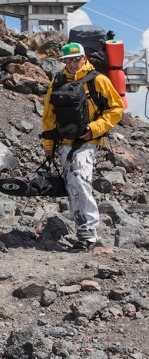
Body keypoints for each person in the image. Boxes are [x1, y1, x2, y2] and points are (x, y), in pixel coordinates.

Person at [42, 42, 124, 249]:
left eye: (76, 59)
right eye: (67, 60)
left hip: (88, 141)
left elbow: (116, 109)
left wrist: (94, 129)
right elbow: (49, 116)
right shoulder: (58, 81)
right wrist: (48, 146)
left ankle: (88, 232)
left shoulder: (98, 80)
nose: (72, 64)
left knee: (79, 177)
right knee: (72, 184)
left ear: (84, 58)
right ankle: (82, 231)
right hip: (63, 142)